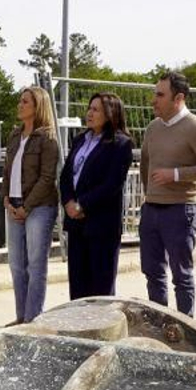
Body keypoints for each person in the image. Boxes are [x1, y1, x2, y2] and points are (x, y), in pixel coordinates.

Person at [139, 72, 196, 316]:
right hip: (152, 208)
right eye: (155, 94)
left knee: (181, 275)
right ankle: (159, 324)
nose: (154, 100)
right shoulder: (153, 128)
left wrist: (175, 175)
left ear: (179, 98)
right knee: (152, 271)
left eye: (160, 95)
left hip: (181, 209)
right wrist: (149, 195)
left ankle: (185, 327)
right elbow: (145, 164)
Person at [60, 93, 136, 299]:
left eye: (96, 110)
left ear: (110, 114)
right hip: (76, 224)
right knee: (78, 288)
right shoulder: (80, 140)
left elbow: (112, 184)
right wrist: (68, 202)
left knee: (100, 289)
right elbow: (66, 176)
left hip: (101, 225)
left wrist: (83, 205)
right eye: (89, 108)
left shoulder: (120, 144)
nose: (89, 113)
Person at [2, 87, 61, 324]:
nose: (20, 104)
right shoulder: (14, 136)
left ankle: (32, 319)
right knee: (16, 266)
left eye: (25, 101)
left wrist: (26, 207)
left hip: (39, 207)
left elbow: (47, 178)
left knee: (36, 267)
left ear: (38, 106)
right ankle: (21, 318)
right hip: (14, 204)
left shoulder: (48, 138)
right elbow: (7, 171)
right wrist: (6, 198)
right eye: (20, 100)